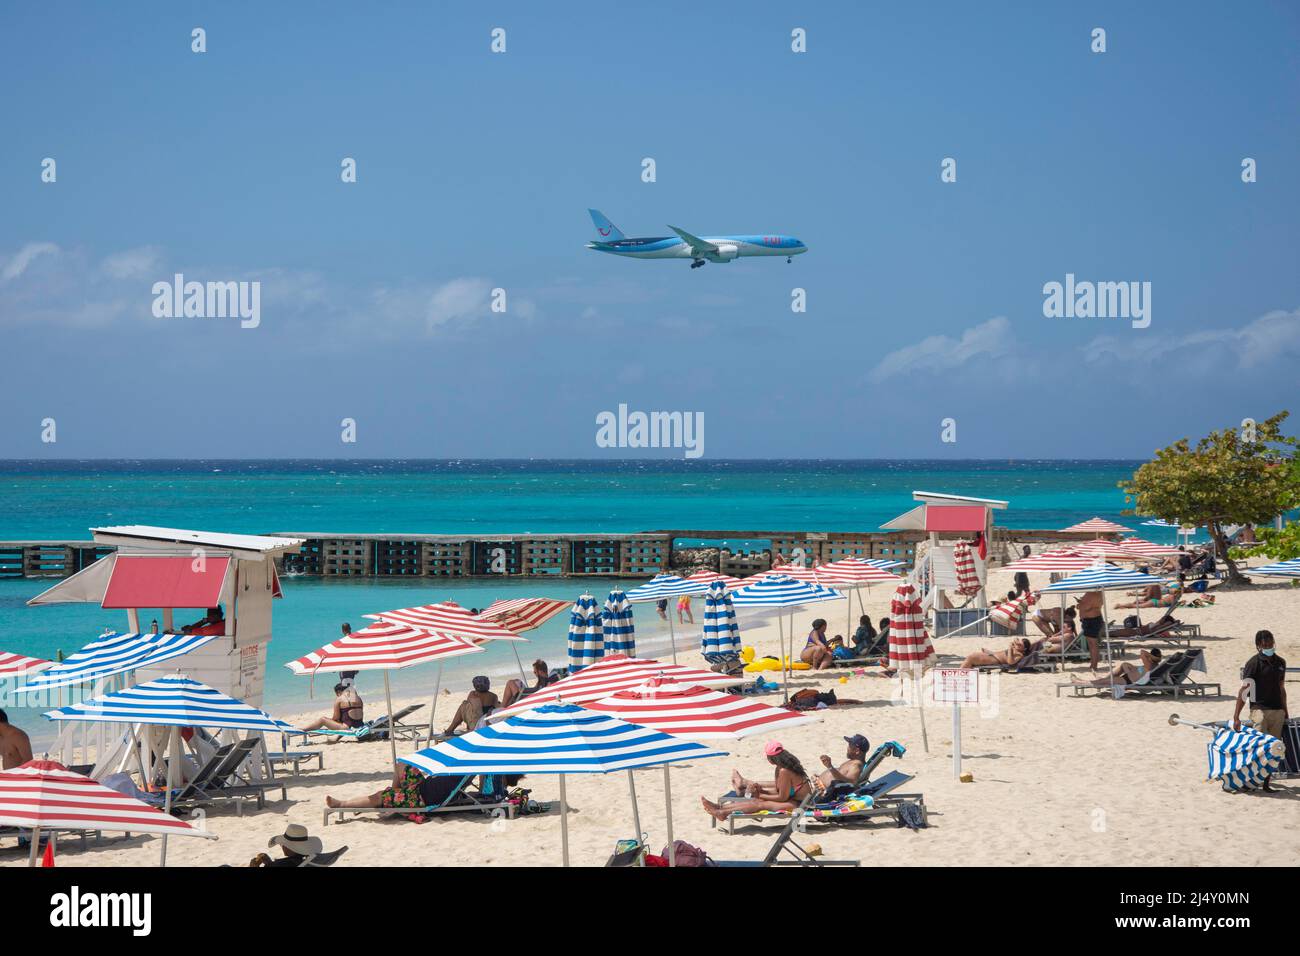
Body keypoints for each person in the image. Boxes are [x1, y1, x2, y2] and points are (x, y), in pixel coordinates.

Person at [700, 741, 811, 821]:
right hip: (793, 800)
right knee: (756, 800)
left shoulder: (784, 771)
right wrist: (760, 791)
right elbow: (779, 791)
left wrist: (759, 795)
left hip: (802, 804)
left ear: (771, 758)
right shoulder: (781, 768)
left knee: (759, 804)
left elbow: (782, 797)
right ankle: (720, 808)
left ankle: (722, 812)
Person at [325, 761, 467, 818]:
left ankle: (341, 804)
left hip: (421, 798)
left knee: (379, 796)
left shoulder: (470, 766)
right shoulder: (466, 761)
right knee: (401, 765)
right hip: (421, 787)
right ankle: (393, 799)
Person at [1233, 630, 1288, 750]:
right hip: (1258, 709)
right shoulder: (1253, 664)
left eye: (1270, 644)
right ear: (1259, 646)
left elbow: (1281, 689)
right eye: (1265, 645)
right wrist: (1236, 717)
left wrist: (1285, 711)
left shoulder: (1280, 662)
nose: (1268, 647)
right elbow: (1244, 690)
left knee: (1274, 749)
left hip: (1277, 710)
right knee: (1260, 747)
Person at [297, 682, 365, 737]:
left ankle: (303, 729)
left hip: (347, 727)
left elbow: (336, 717)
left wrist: (332, 722)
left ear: (338, 692)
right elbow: (360, 713)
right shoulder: (358, 698)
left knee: (323, 719)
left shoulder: (339, 699)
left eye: (336, 694)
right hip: (360, 725)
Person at [1071, 647, 1162, 687]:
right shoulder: (1153, 665)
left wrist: (1151, 657)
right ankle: (1101, 678)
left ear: (1151, 657)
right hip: (1129, 676)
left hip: (1129, 681)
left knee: (1103, 682)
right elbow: (1140, 670)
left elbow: (1142, 652)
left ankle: (1080, 682)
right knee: (1122, 666)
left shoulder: (1149, 664)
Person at [250, 823, 329, 867]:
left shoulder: (281, 865)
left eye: (283, 844)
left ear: (290, 847)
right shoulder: (306, 860)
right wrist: (269, 864)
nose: (282, 846)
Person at [961, 636, 1036, 669]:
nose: (1018, 644)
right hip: (992, 655)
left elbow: (1010, 662)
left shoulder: (1019, 655)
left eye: (1020, 645)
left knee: (971, 658)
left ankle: (960, 674)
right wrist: (1017, 642)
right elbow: (1015, 638)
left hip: (994, 659)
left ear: (1024, 649)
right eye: (1018, 643)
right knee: (971, 656)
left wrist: (1010, 648)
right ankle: (963, 673)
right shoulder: (1016, 648)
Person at [1076, 590, 1105, 672]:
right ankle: (1093, 664)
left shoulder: (1090, 593)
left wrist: (1079, 604)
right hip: (1094, 618)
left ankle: (1094, 665)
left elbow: (1086, 608)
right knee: (1092, 644)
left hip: (1091, 620)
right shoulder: (1099, 592)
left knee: (1092, 644)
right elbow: (1092, 605)